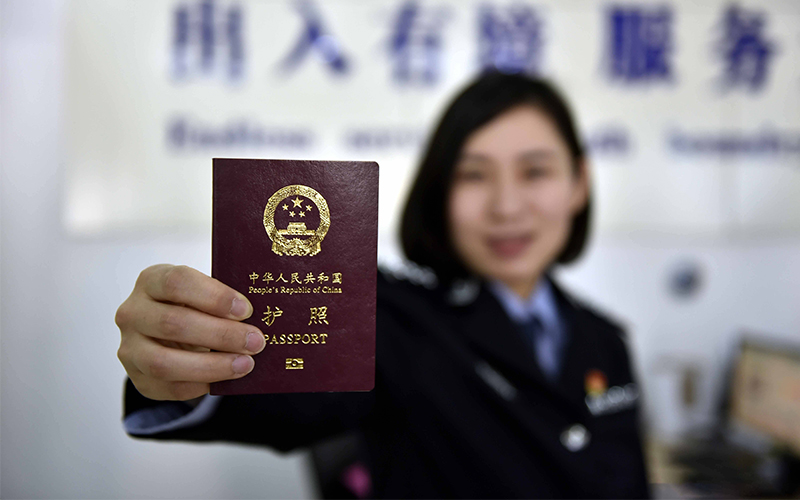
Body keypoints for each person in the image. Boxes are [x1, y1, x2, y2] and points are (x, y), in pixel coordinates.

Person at [116, 72, 651, 498]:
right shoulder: (386, 318)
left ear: (578, 183)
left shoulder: (608, 339)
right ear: (439, 194)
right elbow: (279, 394)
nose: (506, 206)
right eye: (473, 175)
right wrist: (187, 361)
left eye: (535, 172)